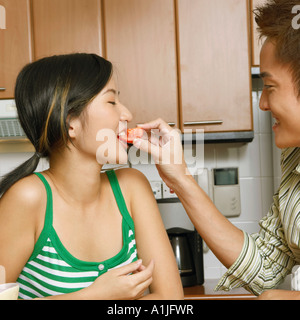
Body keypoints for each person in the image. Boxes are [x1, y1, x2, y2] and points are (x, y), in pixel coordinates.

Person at [133, 0, 300, 300]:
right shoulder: (293, 157)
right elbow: (264, 270)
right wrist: (180, 179)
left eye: (270, 87)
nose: (262, 103)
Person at [0, 53, 183, 300]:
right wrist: (96, 295)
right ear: (70, 122)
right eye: (111, 102)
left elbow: (170, 298)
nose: (127, 114)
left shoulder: (132, 187)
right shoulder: (27, 198)